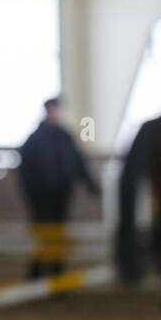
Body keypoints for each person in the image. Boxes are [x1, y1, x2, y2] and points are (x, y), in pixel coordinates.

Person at [17, 97, 100, 278]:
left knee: (60, 232)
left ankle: (55, 271)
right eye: (52, 109)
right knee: (45, 233)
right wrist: (31, 194)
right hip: (41, 197)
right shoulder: (35, 139)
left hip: (62, 195)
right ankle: (38, 273)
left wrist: (91, 185)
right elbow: (24, 170)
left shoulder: (65, 137)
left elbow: (78, 162)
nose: (54, 112)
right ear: (46, 110)